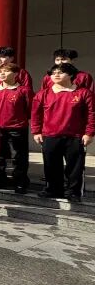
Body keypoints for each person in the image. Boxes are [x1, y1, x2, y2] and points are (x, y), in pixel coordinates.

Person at [31, 62, 95, 201]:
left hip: (75, 136)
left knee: (75, 167)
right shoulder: (43, 94)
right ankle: (53, 189)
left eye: (60, 72)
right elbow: (36, 114)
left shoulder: (83, 93)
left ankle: (73, 192)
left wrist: (89, 133)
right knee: (51, 165)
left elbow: (92, 114)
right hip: (50, 135)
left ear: (71, 75)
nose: (56, 75)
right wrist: (36, 132)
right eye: (53, 73)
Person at [0, 63, 32, 194]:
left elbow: (30, 109)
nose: (2, 74)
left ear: (16, 74)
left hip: (17, 128)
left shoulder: (24, 90)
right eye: (0, 72)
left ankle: (20, 183)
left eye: (6, 71)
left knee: (19, 157)